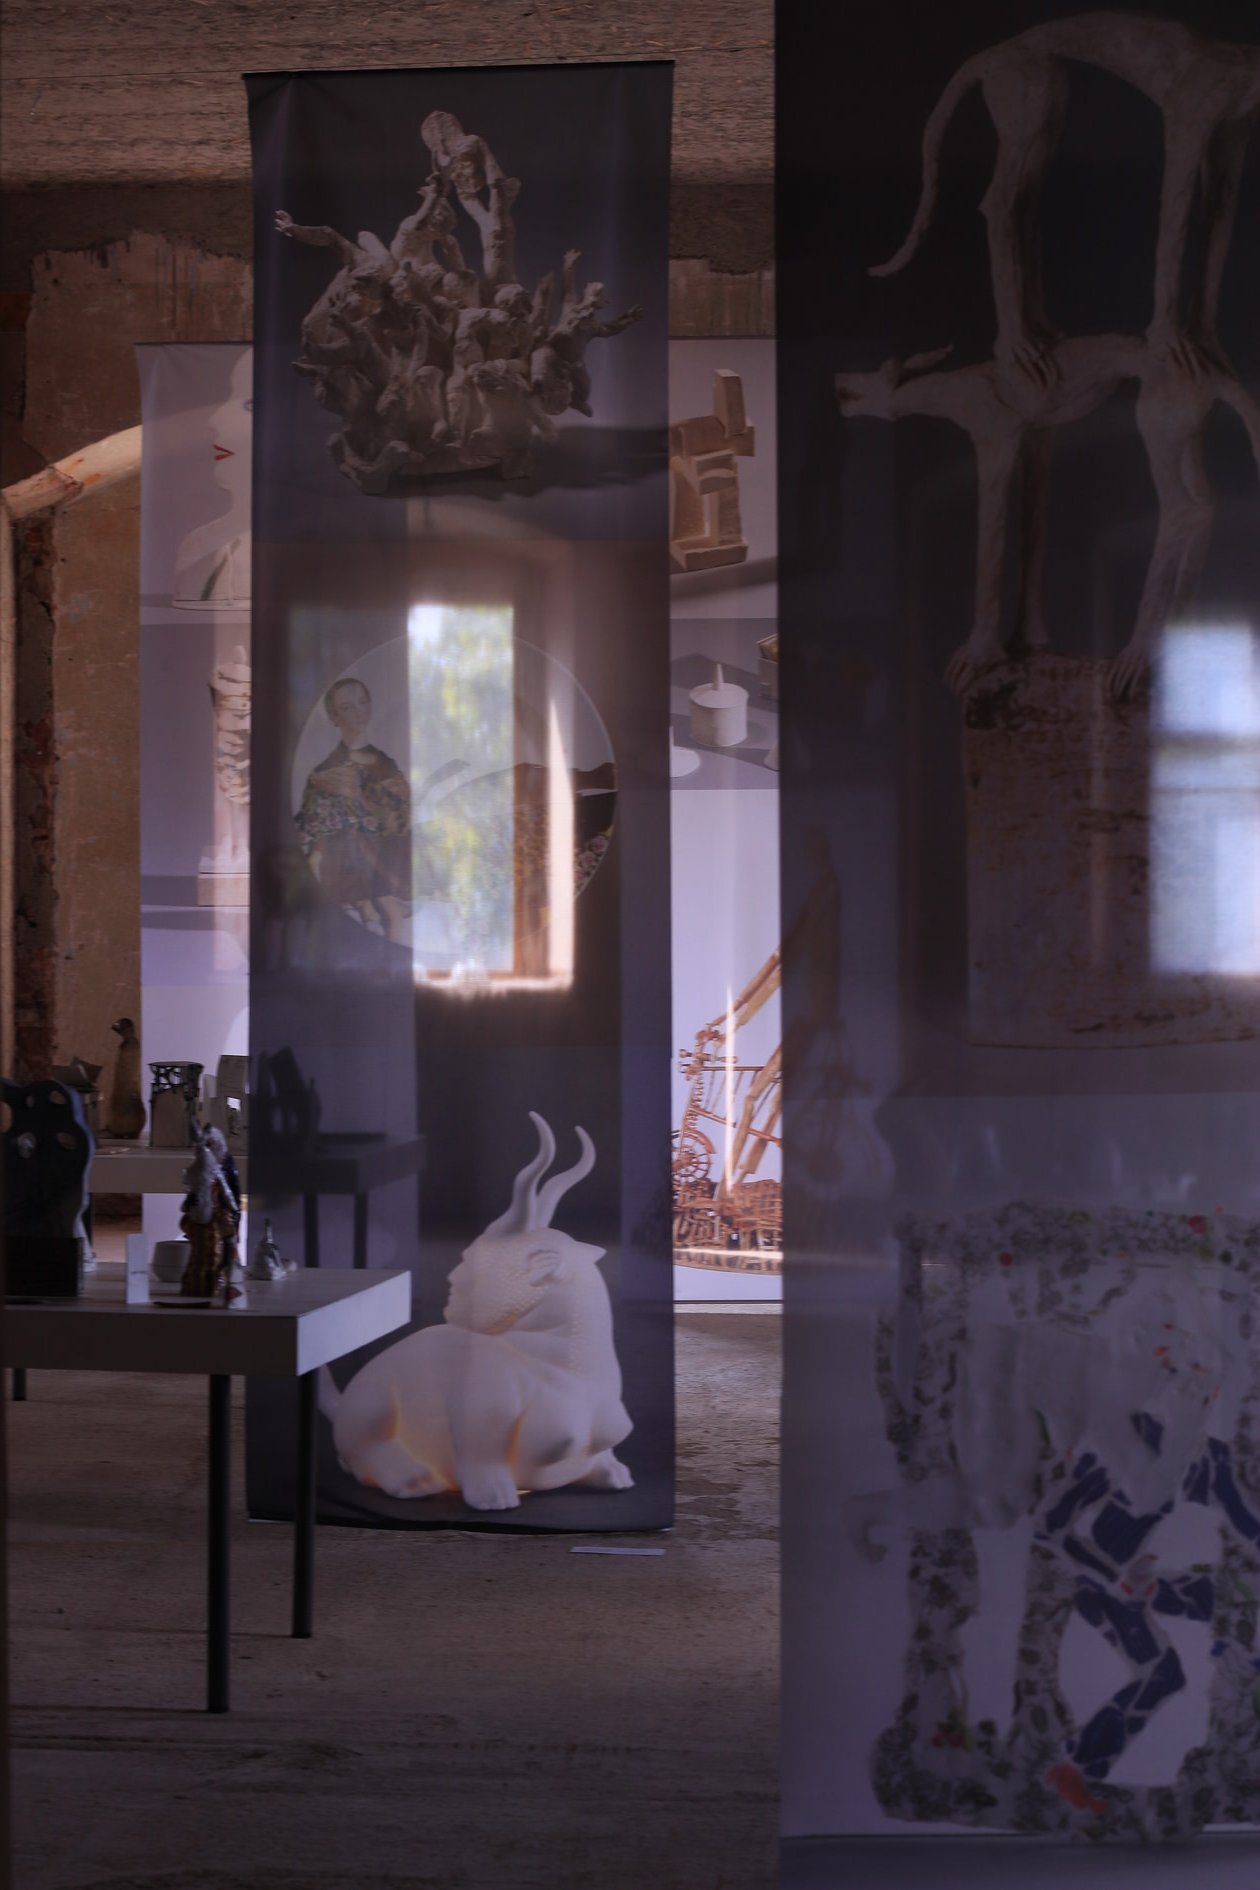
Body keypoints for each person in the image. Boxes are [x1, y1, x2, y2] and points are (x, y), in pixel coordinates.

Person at [294, 677, 411, 944]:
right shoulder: (325, 774)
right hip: (348, 870)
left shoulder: (386, 764)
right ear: (334, 716)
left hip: (388, 863)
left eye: (362, 702)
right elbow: (316, 836)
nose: (358, 712)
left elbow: (401, 813)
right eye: (347, 707)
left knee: (391, 915)